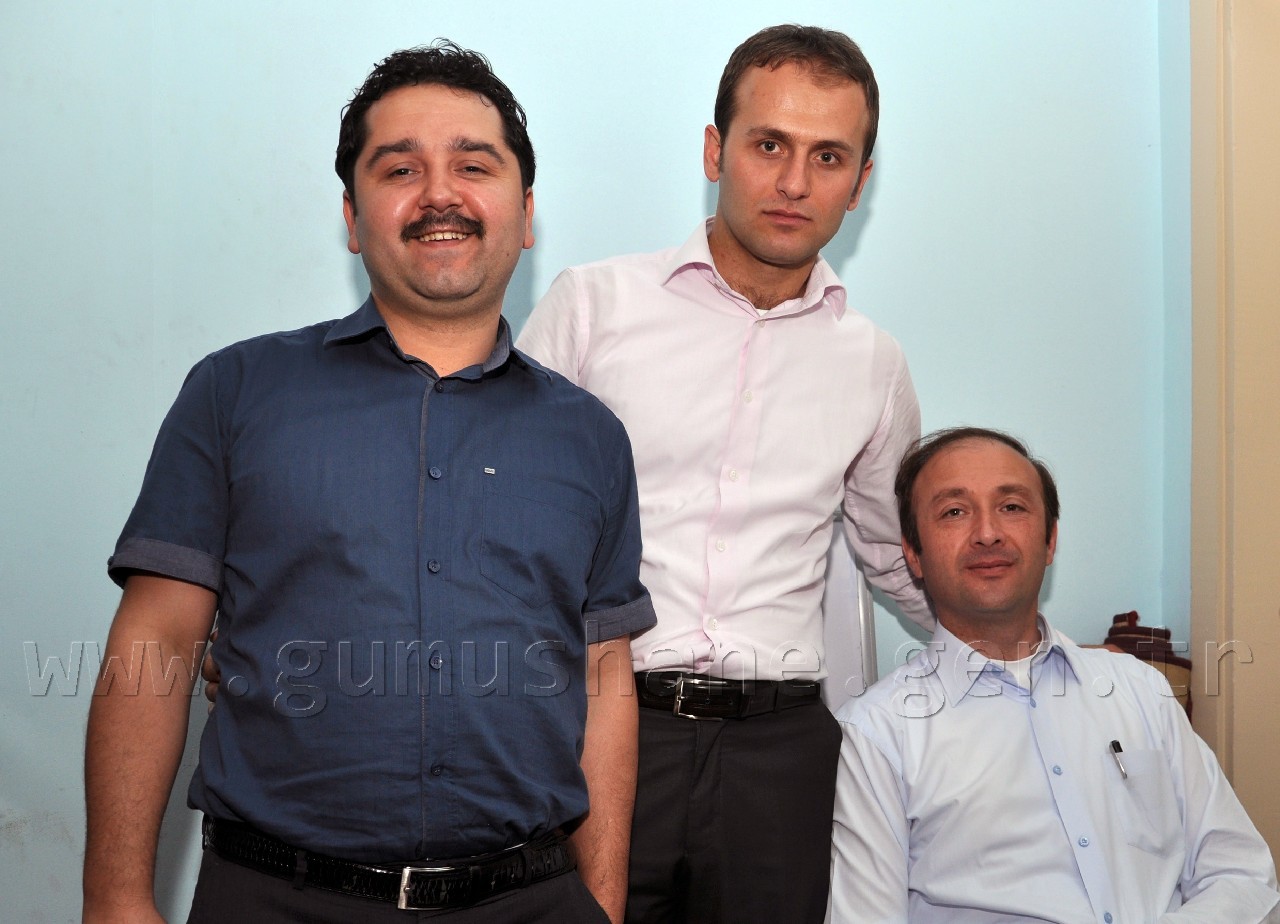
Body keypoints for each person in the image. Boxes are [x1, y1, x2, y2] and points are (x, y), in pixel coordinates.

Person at [83, 41, 654, 924]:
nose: (439, 194)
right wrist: (116, 896)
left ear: (525, 213)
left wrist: (604, 903)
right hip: (273, 900)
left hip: (531, 902)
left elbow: (604, 673)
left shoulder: (591, 438)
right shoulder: (235, 393)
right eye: (400, 168)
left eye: (474, 165)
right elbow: (156, 640)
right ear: (352, 217)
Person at [516, 24, 931, 924]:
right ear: (715, 150)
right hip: (600, 728)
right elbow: (500, 515)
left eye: (828, 157)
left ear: (860, 182)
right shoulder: (594, 307)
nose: (794, 182)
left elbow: (896, 557)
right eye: (769, 145)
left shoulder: (873, 363)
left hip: (781, 759)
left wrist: (1028, 653)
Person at [830, 427, 1280, 923]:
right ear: (913, 554)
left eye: (1012, 507)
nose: (987, 533)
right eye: (954, 512)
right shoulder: (876, 735)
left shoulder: (1139, 689)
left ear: (1050, 541)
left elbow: (1243, 876)